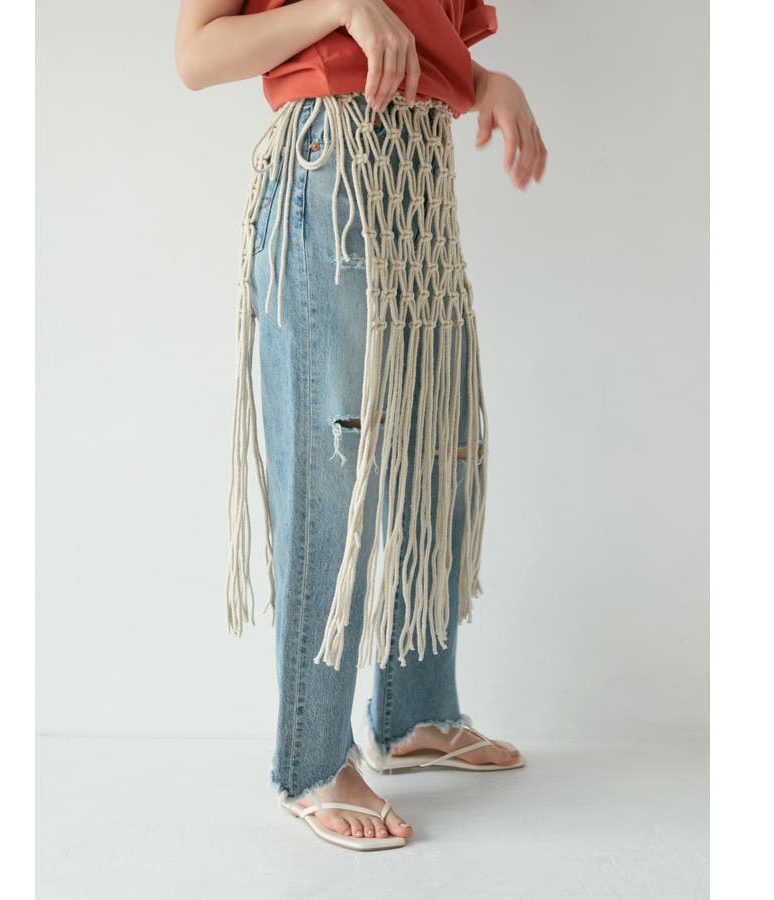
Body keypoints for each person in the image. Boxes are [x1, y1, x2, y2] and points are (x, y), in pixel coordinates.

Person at [174, 0, 547, 851]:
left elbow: (422, 40)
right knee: (333, 468)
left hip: (421, 177)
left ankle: (415, 716)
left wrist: (484, 79)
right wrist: (341, 5)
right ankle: (311, 761)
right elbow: (197, 56)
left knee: (439, 452)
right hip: (331, 169)